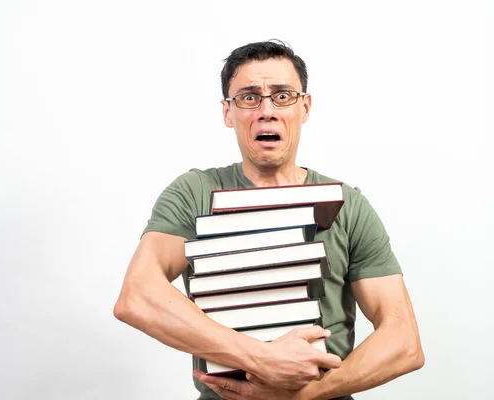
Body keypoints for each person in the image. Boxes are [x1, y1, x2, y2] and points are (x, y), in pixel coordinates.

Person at [113, 39, 424, 400]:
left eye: (282, 96)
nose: (267, 110)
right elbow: (136, 296)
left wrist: (299, 395)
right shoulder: (194, 192)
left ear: (304, 107)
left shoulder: (348, 205)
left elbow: (404, 342)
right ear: (228, 113)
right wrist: (261, 359)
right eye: (248, 97)